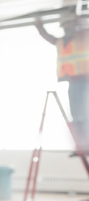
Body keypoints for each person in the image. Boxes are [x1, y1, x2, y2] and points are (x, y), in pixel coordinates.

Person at [35, 15, 89, 153]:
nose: (68, 30)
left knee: (84, 113)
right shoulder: (60, 42)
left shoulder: (82, 38)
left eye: (70, 26)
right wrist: (39, 25)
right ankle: (81, 145)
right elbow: (48, 37)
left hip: (84, 80)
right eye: (66, 27)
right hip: (73, 82)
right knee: (76, 114)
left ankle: (85, 143)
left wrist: (80, 20)